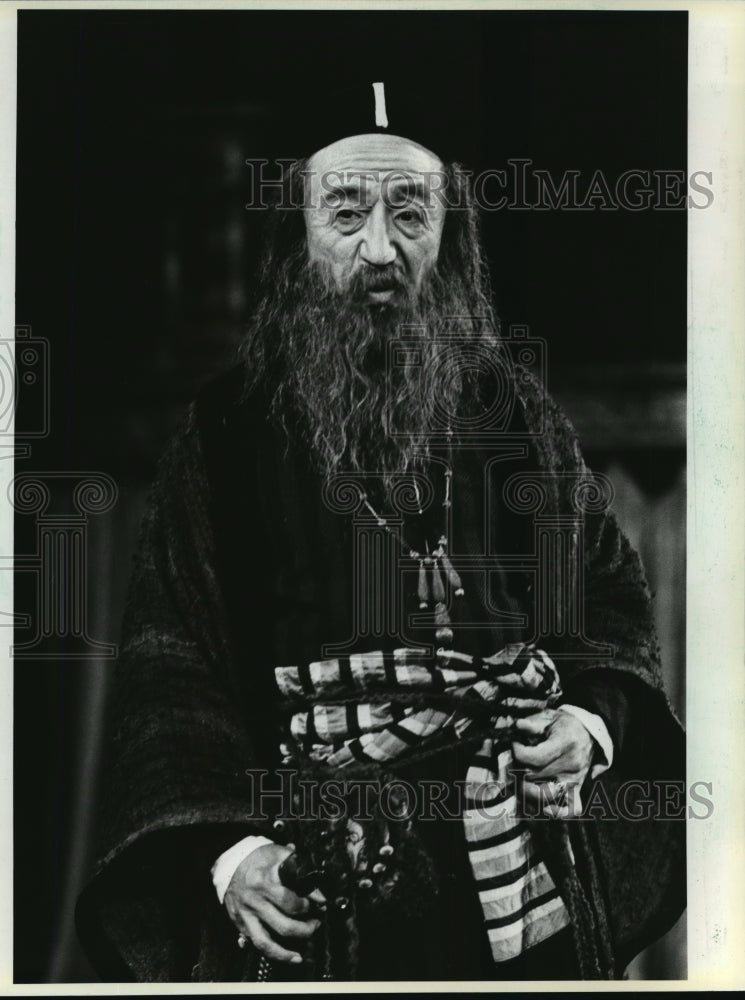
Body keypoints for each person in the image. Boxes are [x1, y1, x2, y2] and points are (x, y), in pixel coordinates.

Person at [76, 80, 685, 983]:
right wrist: (234, 857)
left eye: (410, 213)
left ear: (451, 239)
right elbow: (176, 670)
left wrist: (587, 719)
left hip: (512, 859)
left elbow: (603, 603)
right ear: (297, 239)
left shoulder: (510, 413)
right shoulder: (226, 433)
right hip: (317, 858)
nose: (379, 249)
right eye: (347, 212)